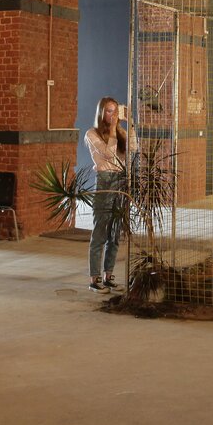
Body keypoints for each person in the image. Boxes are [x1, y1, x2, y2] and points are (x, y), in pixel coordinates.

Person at [84, 96, 135, 294]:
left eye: (115, 111)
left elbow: (134, 148)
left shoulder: (120, 132)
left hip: (120, 180)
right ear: (101, 112)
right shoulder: (92, 133)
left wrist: (130, 123)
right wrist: (113, 129)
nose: (112, 115)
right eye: (108, 111)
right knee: (100, 230)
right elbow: (109, 154)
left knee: (115, 231)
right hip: (105, 181)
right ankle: (94, 279)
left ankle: (108, 276)